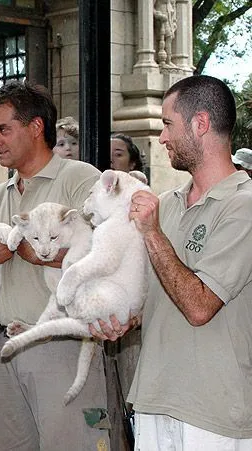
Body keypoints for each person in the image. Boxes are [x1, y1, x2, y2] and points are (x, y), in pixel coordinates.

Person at [93, 75, 252, 448]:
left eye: (167, 124)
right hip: (155, 400)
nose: (161, 137)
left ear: (200, 124)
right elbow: (165, 293)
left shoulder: (243, 206)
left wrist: (151, 233)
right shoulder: (169, 203)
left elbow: (199, 306)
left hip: (213, 413)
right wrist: (128, 321)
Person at [0, 80, 107, 450]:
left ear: (35, 128)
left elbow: (104, 259)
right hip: (6, 346)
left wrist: (27, 250)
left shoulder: (81, 179)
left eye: (3, 129)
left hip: (63, 347)